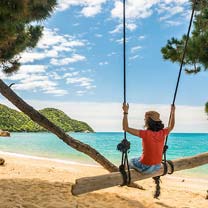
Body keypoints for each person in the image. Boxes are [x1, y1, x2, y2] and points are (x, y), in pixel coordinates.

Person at [122, 103, 175, 174]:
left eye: (145, 119)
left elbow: (125, 128)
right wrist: (173, 112)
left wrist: (125, 112)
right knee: (138, 158)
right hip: (157, 166)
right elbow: (171, 126)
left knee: (129, 161)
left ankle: (126, 176)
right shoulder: (162, 133)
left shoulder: (145, 134)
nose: (144, 120)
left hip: (146, 168)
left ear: (148, 122)